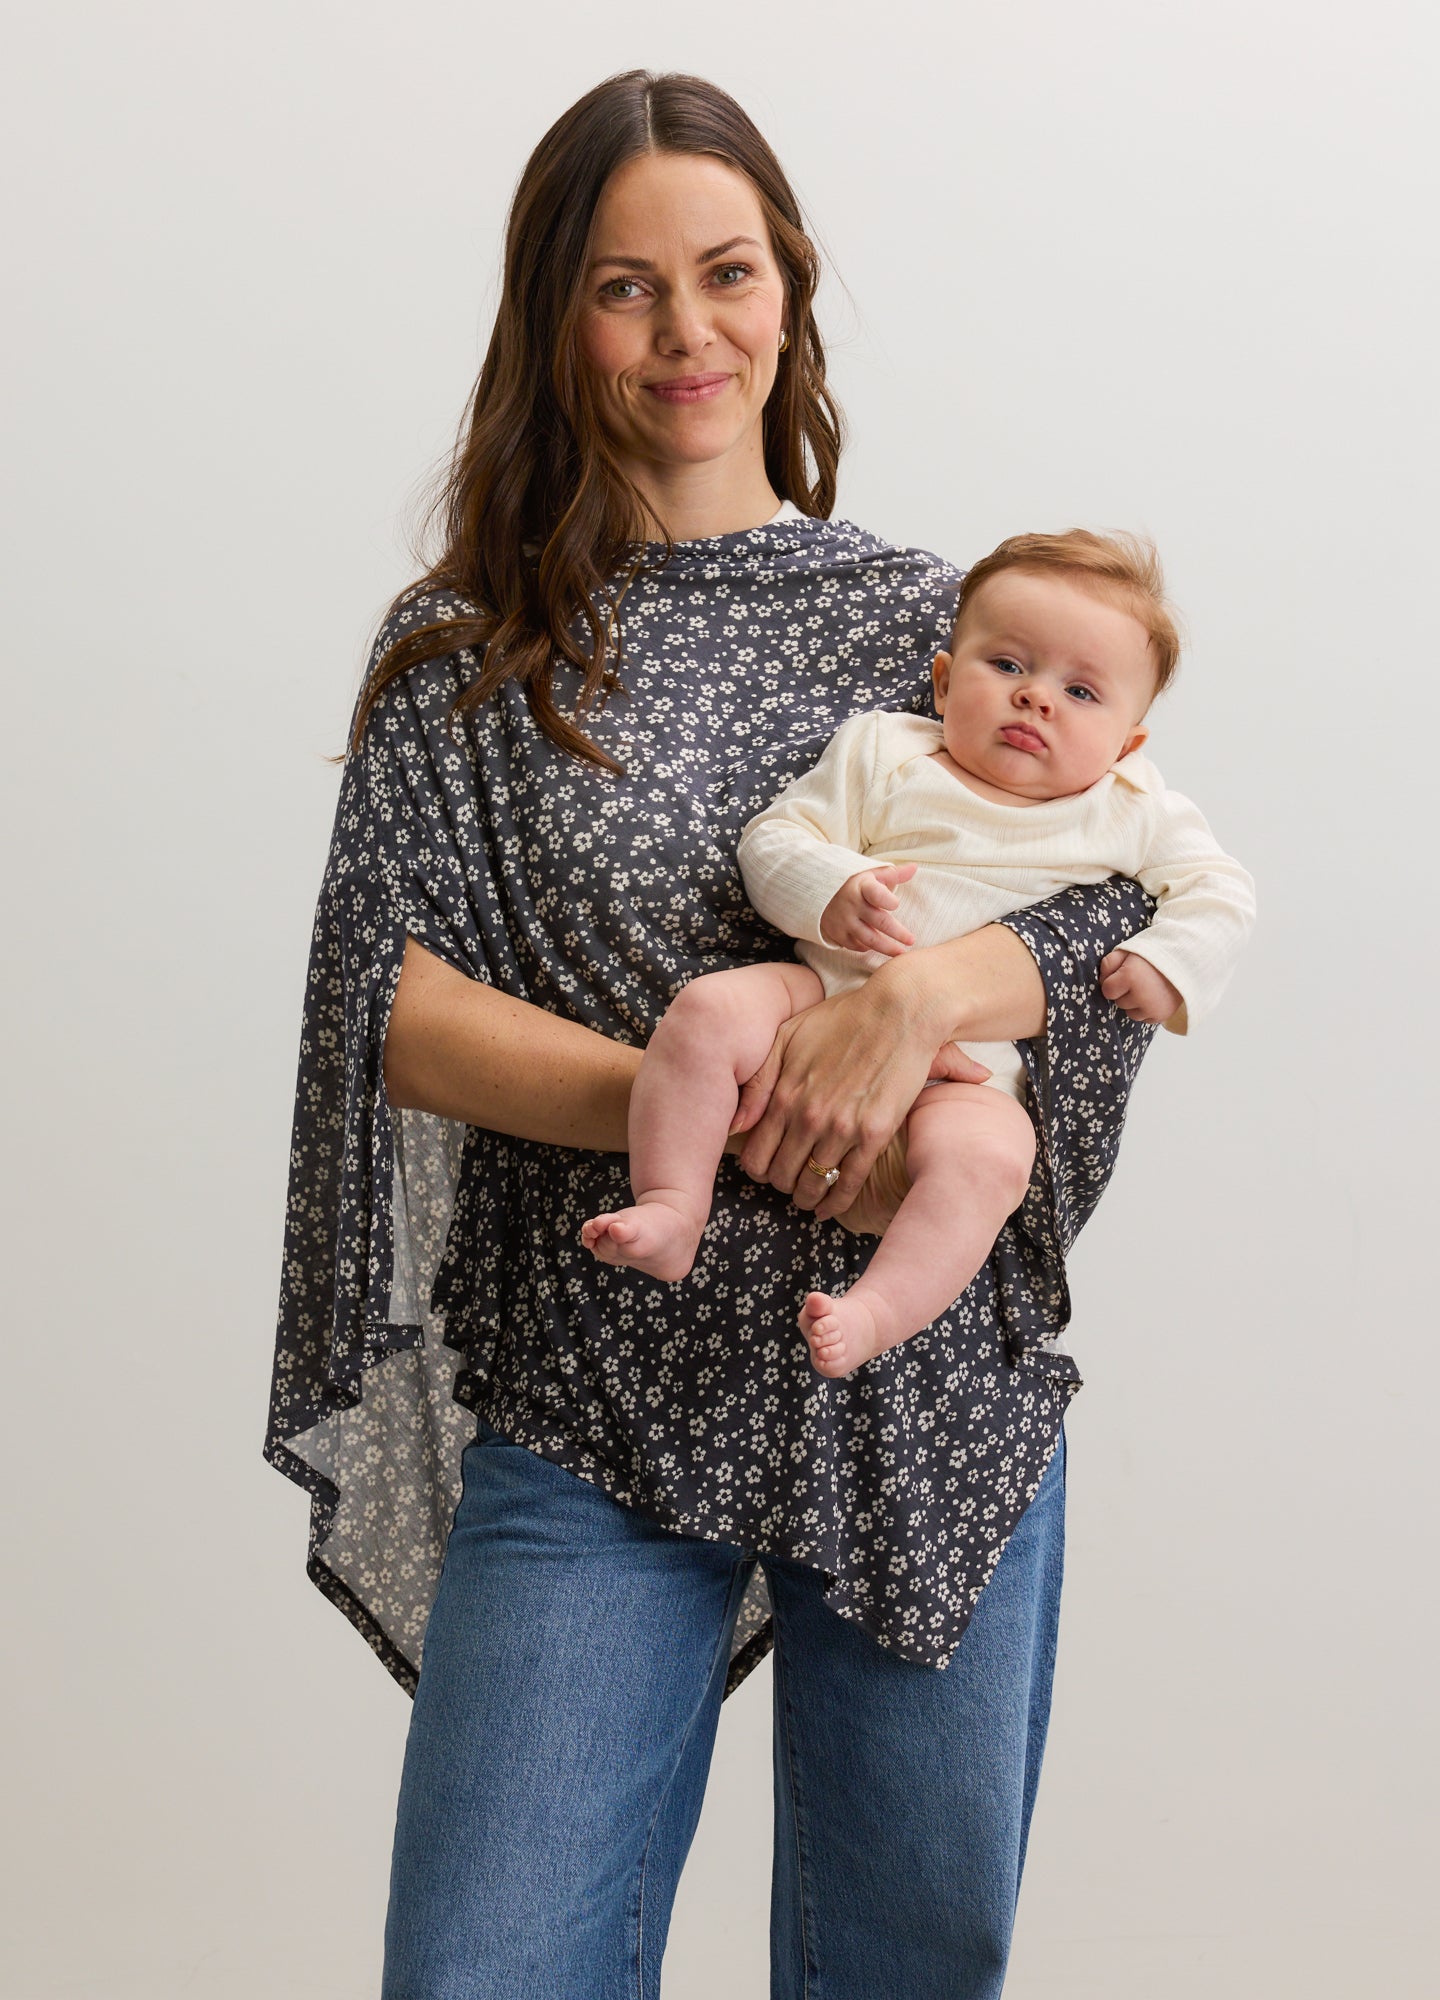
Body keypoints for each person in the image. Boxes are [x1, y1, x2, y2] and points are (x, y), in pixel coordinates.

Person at [263, 69, 1173, 2000]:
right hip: (596, 1381)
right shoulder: (470, 650)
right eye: (624, 287)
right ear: (553, 317)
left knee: (912, 1966)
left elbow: (1110, 922)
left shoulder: (946, 623)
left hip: (923, 1397)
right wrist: (735, 1105)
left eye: (727, 271)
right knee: (487, 1963)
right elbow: (389, 1008)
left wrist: (921, 999)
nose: (689, 333)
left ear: (793, 286)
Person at [582, 529, 1256, 1378]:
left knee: (991, 1162)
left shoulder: (1130, 806)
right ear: (943, 680)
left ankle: (877, 1310)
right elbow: (778, 838)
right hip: (817, 995)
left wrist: (1170, 962)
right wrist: (831, 887)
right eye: (1008, 666)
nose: (1036, 699)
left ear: (1126, 745)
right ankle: (674, 1207)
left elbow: (1220, 891)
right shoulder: (885, 750)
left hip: (972, 1068)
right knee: (708, 1012)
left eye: (1081, 690)